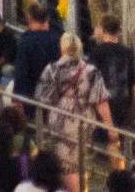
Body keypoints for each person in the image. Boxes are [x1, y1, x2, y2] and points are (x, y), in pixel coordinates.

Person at [31, 33, 110, 192]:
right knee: (78, 164)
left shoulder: (52, 69)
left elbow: (42, 99)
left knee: (64, 165)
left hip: (59, 124)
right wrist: (111, 128)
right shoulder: (91, 71)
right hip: (84, 124)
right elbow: (101, 102)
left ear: (62, 49)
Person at [12, 1, 63, 100]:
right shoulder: (60, 40)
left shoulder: (25, 43)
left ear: (29, 19)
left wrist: (18, 99)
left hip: (33, 96)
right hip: (56, 96)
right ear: (46, 19)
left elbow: (21, 74)